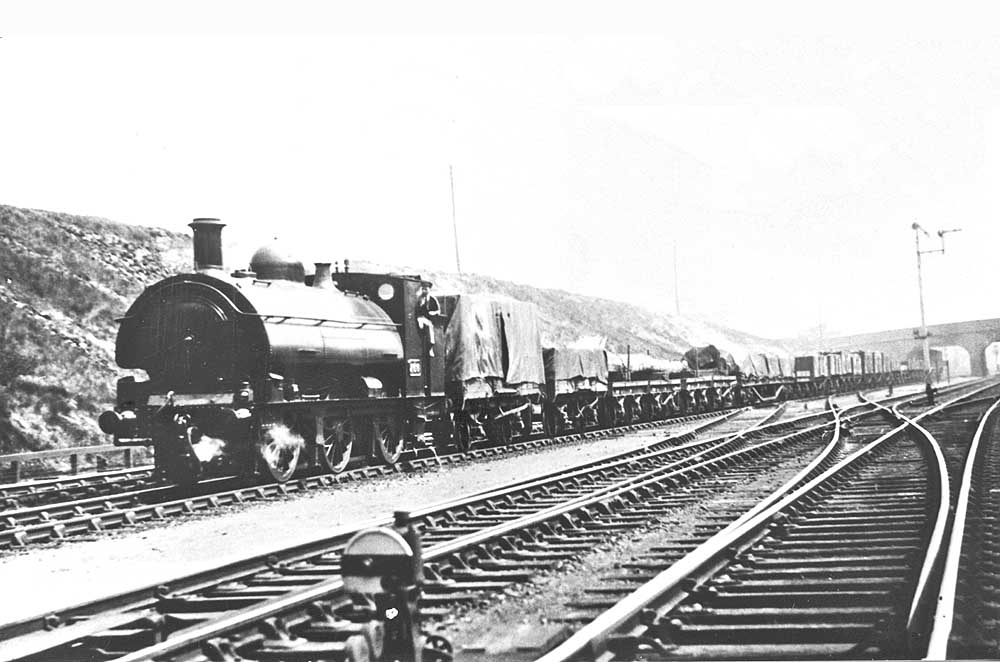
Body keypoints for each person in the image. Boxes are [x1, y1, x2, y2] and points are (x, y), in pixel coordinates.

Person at [415, 283, 441, 356]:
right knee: (421, 322)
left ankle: (431, 346)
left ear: (429, 290)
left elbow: (438, 311)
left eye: (426, 289)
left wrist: (433, 313)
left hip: (430, 319)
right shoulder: (419, 299)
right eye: (423, 289)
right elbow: (417, 310)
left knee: (430, 326)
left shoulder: (433, 299)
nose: (424, 291)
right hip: (420, 318)